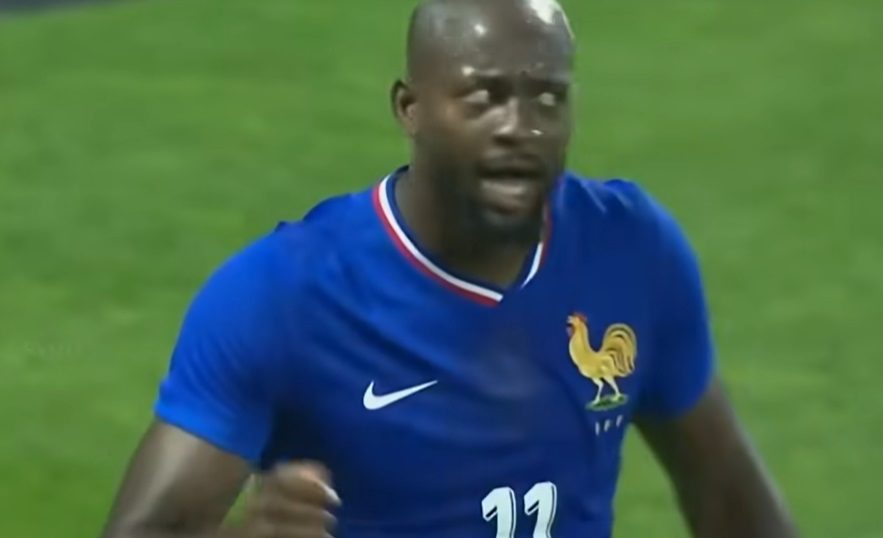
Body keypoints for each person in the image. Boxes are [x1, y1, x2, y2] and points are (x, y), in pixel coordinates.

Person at [99, 0, 800, 537]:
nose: (519, 128)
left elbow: (728, 494)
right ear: (410, 108)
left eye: (546, 97)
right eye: (484, 97)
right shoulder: (281, 296)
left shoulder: (632, 253)